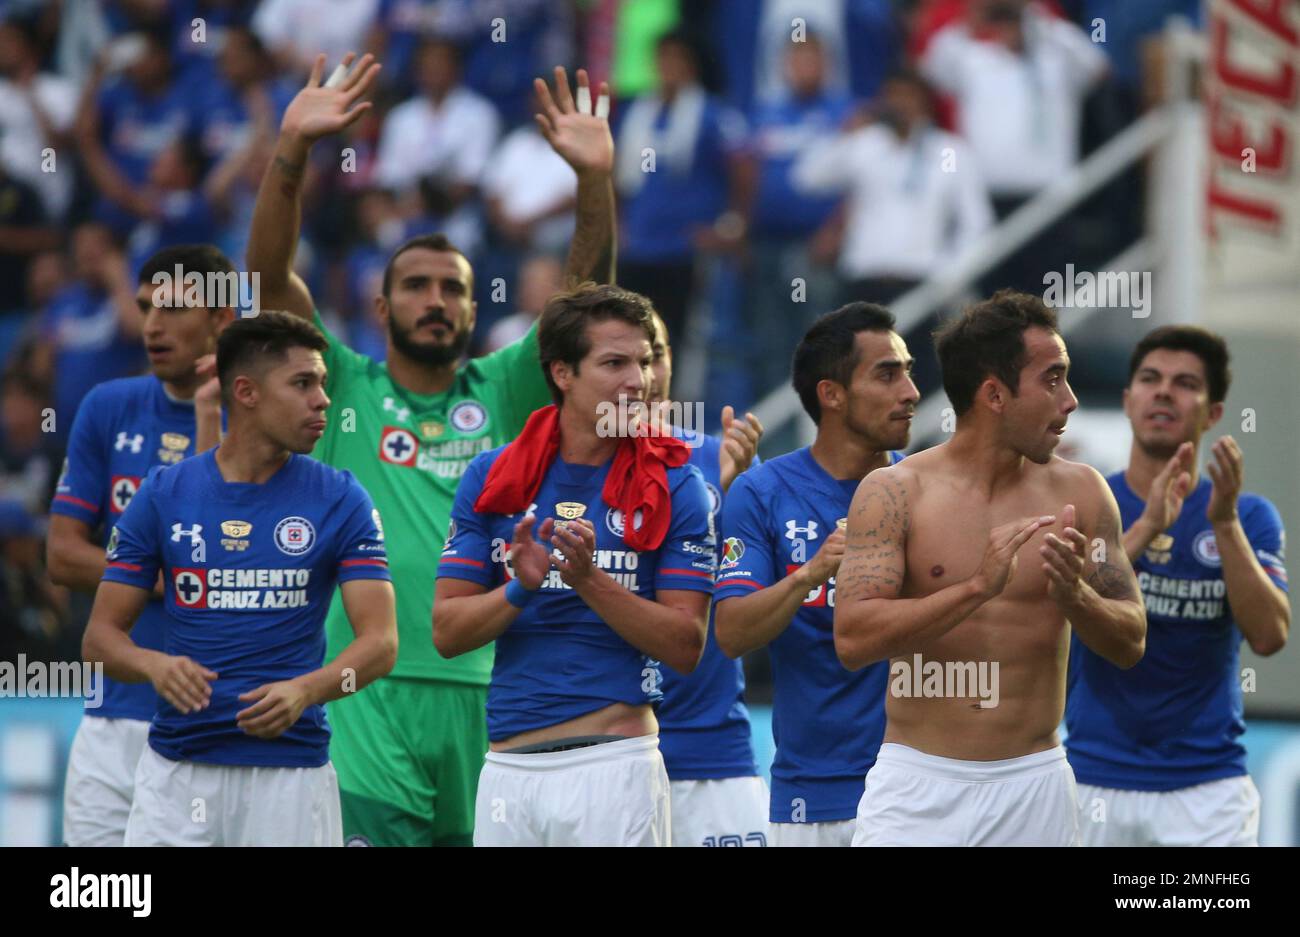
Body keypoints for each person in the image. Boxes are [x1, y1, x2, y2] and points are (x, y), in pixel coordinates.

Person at [246, 52, 617, 846]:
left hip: (492, 691)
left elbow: (587, 304)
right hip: (363, 691)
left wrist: (592, 183)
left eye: (453, 286)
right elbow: (269, 278)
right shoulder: (339, 383)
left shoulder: (507, 388)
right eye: (416, 284)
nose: (436, 300)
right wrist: (292, 151)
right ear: (380, 304)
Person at [834, 289, 1146, 847]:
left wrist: (1078, 598)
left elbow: (1131, 641)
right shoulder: (894, 492)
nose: (1070, 400)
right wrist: (976, 588)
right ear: (994, 394)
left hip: (1035, 786)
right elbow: (854, 639)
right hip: (918, 786)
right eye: (1052, 379)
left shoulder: (1084, 492)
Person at [82, 311, 397, 847]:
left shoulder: (342, 497)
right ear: (246, 392)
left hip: (290, 776)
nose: (322, 399)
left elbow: (382, 643)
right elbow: (99, 640)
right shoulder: (162, 494)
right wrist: (154, 665)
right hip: (177, 775)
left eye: (322, 383)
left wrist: (306, 690)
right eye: (302, 383)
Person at [433, 283, 715, 846]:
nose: (638, 381)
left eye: (642, 361)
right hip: (509, 769)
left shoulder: (679, 482)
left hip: (616, 765)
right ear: (563, 374)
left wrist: (587, 580)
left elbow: (686, 644)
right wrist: (518, 589)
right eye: (614, 363)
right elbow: (447, 632)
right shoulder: (493, 478)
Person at [1067, 325, 1288, 846]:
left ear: (1213, 413)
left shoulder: (1249, 515)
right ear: (1127, 400)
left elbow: (1270, 636)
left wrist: (1225, 524)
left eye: (1186, 382)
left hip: (1207, 789)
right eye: (1150, 378)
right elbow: (1066, 610)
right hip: (1096, 777)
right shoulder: (1089, 505)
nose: (1164, 390)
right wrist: (1148, 526)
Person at [48, 244, 232, 846]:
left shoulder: (261, 420)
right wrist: (152, 576)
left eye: (174, 308)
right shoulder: (108, 406)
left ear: (222, 319)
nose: (153, 324)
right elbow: (63, 555)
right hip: (113, 714)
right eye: (146, 307)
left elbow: (223, 562)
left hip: (216, 722)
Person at [714, 303, 918, 846]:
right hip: (812, 795)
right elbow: (732, 632)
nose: (911, 391)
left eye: (908, 371)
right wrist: (811, 574)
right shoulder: (764, 492)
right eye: (887, 373)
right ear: (831, 394)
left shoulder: (929, 489)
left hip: (923, 789)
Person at [646, 310, 767, 846]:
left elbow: (759, 605)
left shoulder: (721, 456)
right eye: (622, 359)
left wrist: (732, 500)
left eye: (656, 355)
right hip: (596, 751)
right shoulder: (559, 468)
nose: (643, 373)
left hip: (713, 751)